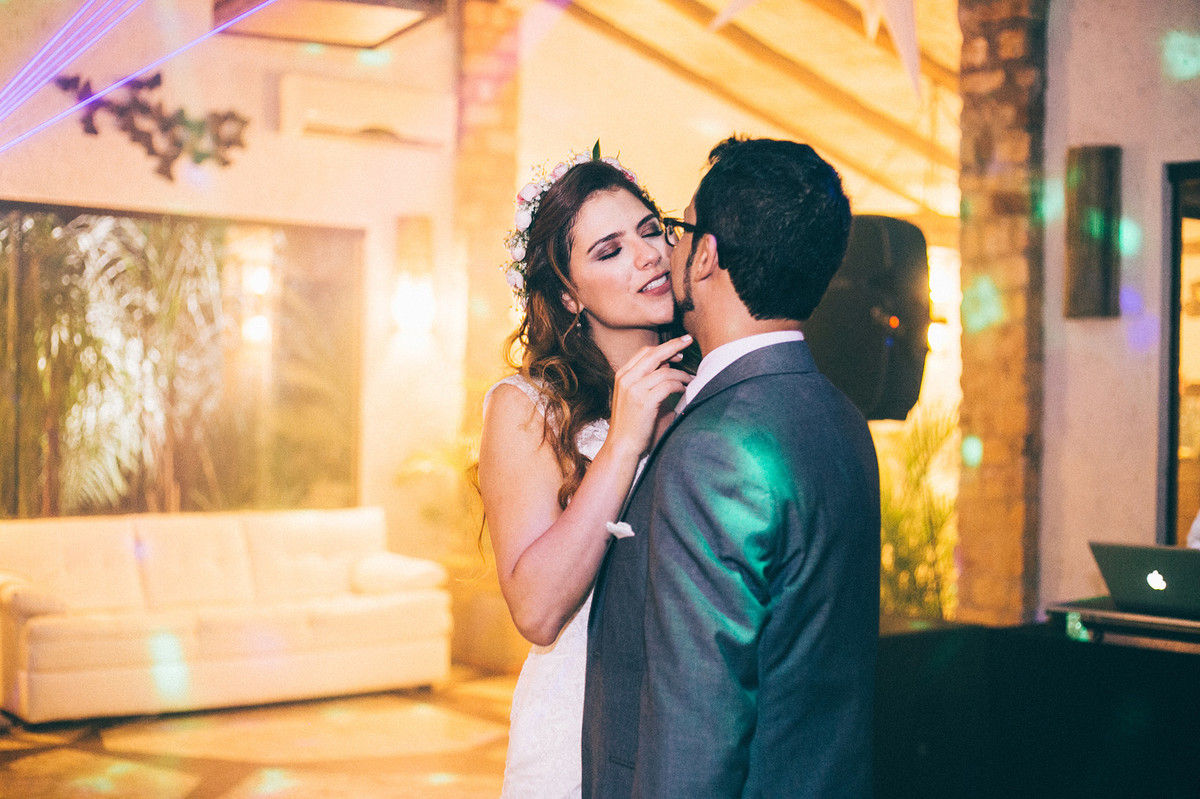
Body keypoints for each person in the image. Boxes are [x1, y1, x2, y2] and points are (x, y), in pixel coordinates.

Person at [582, 136, 881, 798]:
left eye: (682, 231)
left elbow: (696, 722)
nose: (668, 252)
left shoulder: (716, 446)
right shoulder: (843, 417)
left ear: (709, 255)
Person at [477, 149, 695, 798]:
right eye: (609, 250)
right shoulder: (528, 407)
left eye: (651, 229)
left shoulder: (710, 389)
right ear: (568, 293)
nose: (648, 254)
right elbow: (537, 611)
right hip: (574, 739)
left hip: (684, 730)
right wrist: (625, 440)